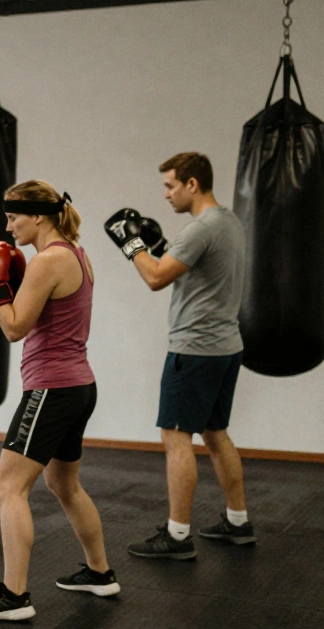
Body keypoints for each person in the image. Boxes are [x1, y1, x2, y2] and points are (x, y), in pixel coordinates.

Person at [0, 181, 119, 622]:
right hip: (79, 385)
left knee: (8, 487)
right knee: (64, 485)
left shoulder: (48, 261)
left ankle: (13, 597)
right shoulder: (76, 255)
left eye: (14, 218)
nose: (8, 227)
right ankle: (100, 573)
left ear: (38, 216)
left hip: (52, 388)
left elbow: (14, 328)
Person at [104, 152, 254, 560]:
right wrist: (159, 245)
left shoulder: (199, 229)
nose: (165, 194)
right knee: (216, 432)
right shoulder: (229, 221)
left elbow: (155, 277)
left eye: (170, 185)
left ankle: (177, 535)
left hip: (194, 349)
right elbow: (194, 271)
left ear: (192, 184)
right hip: (226, 347)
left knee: (175, 437)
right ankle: (238, 522)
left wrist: (132, 243)